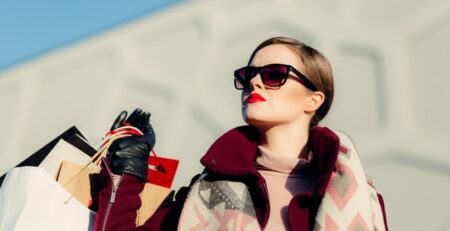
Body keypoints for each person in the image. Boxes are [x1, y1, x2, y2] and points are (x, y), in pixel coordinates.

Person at [93, 37, 388, 231]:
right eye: (248, 76)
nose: (255, 83)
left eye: (275, 75)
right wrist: (125, 172)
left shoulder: (358, 197)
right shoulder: (205, 192)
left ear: (313, 100)